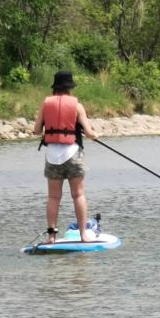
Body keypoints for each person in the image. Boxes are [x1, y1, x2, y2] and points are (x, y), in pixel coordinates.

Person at [34, 71, 99, 243]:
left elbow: (36, 131)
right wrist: (94, 135)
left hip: (52, 156)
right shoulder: (77, 106)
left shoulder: (45, 104)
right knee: (78, 195)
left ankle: (51, 237)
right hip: (72, 154)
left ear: (55, 87)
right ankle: (84, 235)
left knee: (53, 197)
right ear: (70, 88)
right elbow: (89, 132)